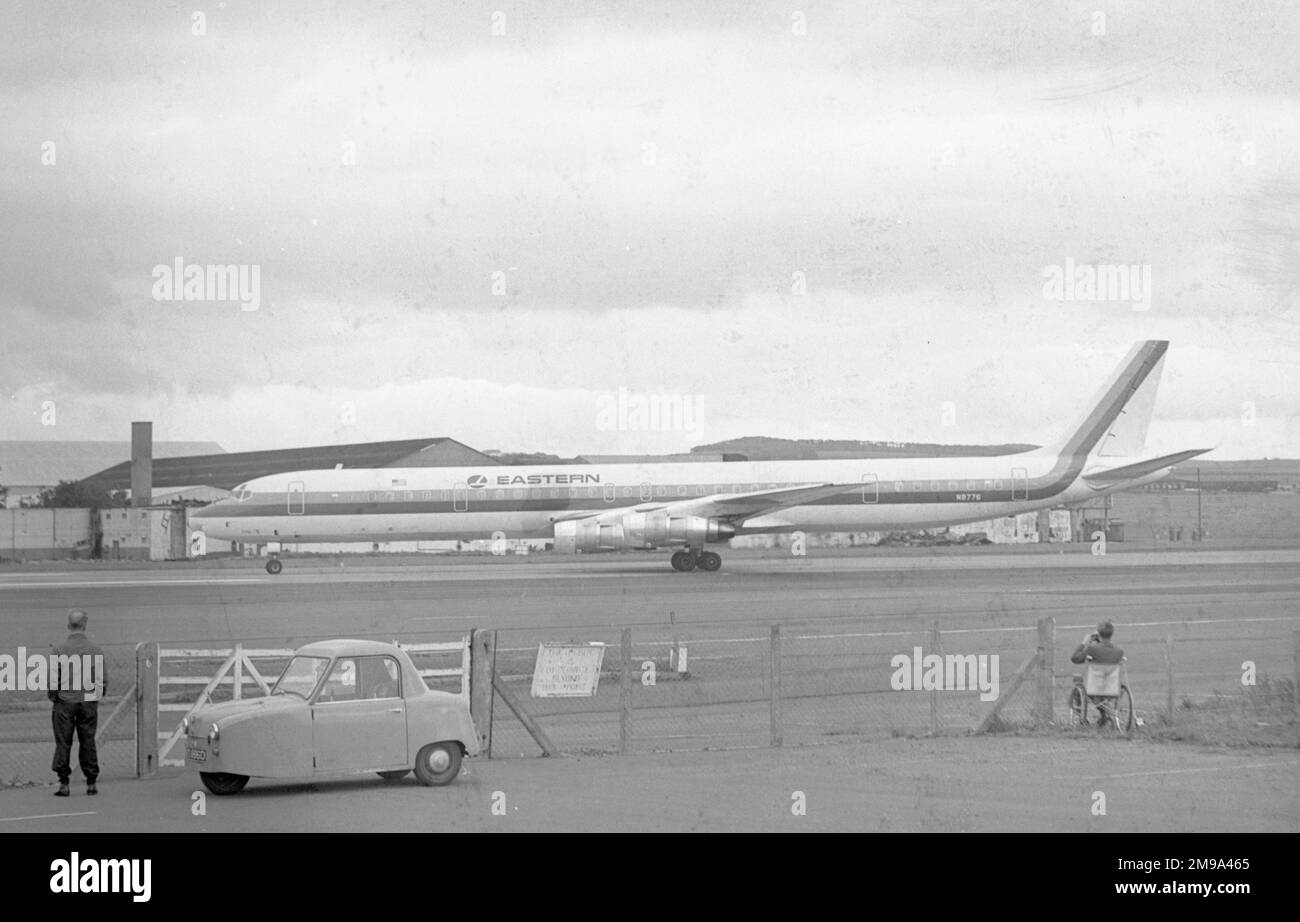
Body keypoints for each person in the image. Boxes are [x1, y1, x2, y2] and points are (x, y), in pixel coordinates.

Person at [49, 609, 105, 797]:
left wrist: (54, 696)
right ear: (85, 624)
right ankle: (91, 782)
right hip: (88, 700)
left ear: (68, 625)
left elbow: (53, 679)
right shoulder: (96, 650)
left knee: (63, 742)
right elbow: (102, 680)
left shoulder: (59, 650)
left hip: (65, 701)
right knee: (87, 740)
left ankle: (64, 782)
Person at [1070, 620, 1125, 726]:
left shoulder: (1092, 649)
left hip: (1094, 687)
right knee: (1103, 693)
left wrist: (1084, 643)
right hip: (1112, 687)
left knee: (1079, 686)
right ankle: (1104, 716)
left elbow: (1075, 658)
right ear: (1111, 634)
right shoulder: (1119, 652)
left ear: (1098, 634)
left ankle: (1081, 717)